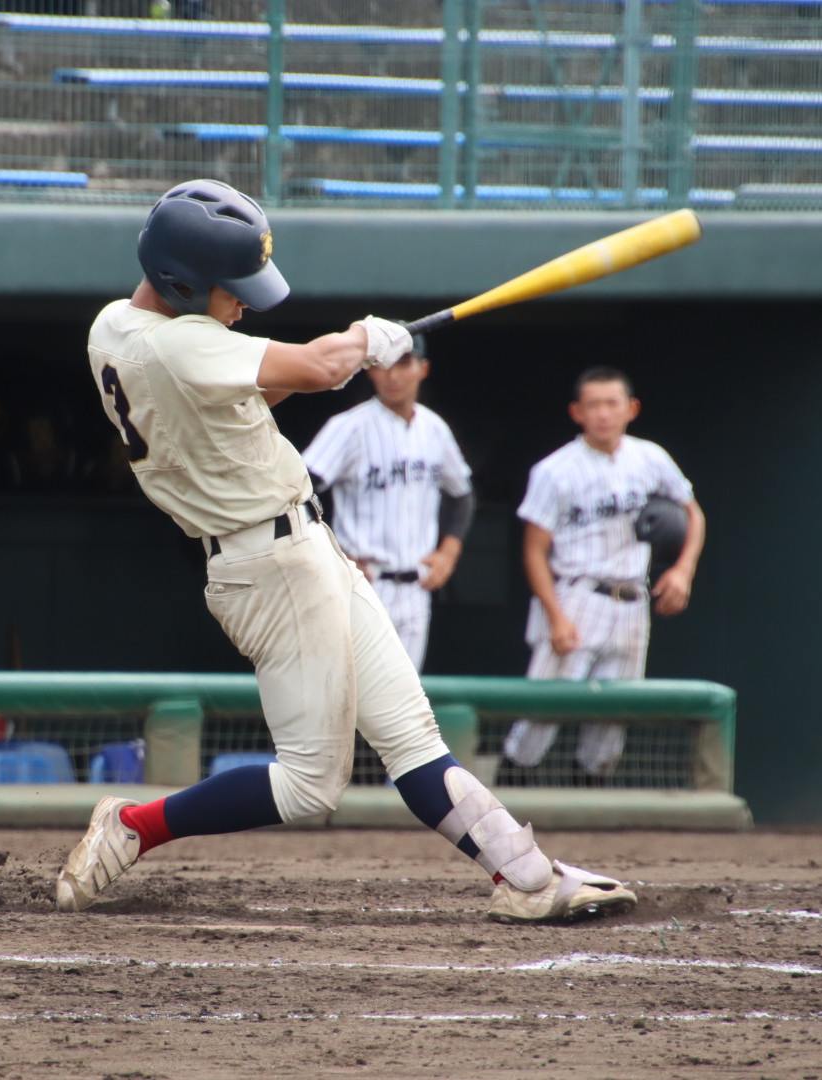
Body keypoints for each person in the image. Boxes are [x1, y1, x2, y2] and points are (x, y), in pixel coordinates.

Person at [55, 178, 637, 924]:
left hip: (306, 547)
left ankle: (524, 875)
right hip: (267, 567)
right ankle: (133, 827)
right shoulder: (179, 342)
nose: (244, 304)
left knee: (410, 734)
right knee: (308, 786)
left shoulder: (115, 326)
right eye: (232, 291)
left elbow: (247, 395)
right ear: (180, 282)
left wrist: (353, 351)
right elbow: (318, 368)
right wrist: (365, 340)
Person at [502, 366, 706, 780]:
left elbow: (692, 512)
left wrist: (683, 570)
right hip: (577, 594)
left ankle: (595, 827)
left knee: (614, 719)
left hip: (633, 598)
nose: (603, 414)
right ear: (576, 412)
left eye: (612, 403)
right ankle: (510, 794)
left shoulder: (650, 457)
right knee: (544, 711)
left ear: (631, 408)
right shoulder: (554, 470)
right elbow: (534, 552)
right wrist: (556, 616)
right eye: (593, 405)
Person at [302, 333, 473, 672]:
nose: (392, 375)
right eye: (383, 365)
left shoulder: (434, 429)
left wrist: (449, 553)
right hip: (362, 584)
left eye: (404, 364)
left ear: (423, 369)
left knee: (404, 707)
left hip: (416, 588)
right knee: (354, 699)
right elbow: (299, 493)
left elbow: (462, 494)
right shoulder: (349, 427)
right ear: (369, 370)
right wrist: (333, 554)